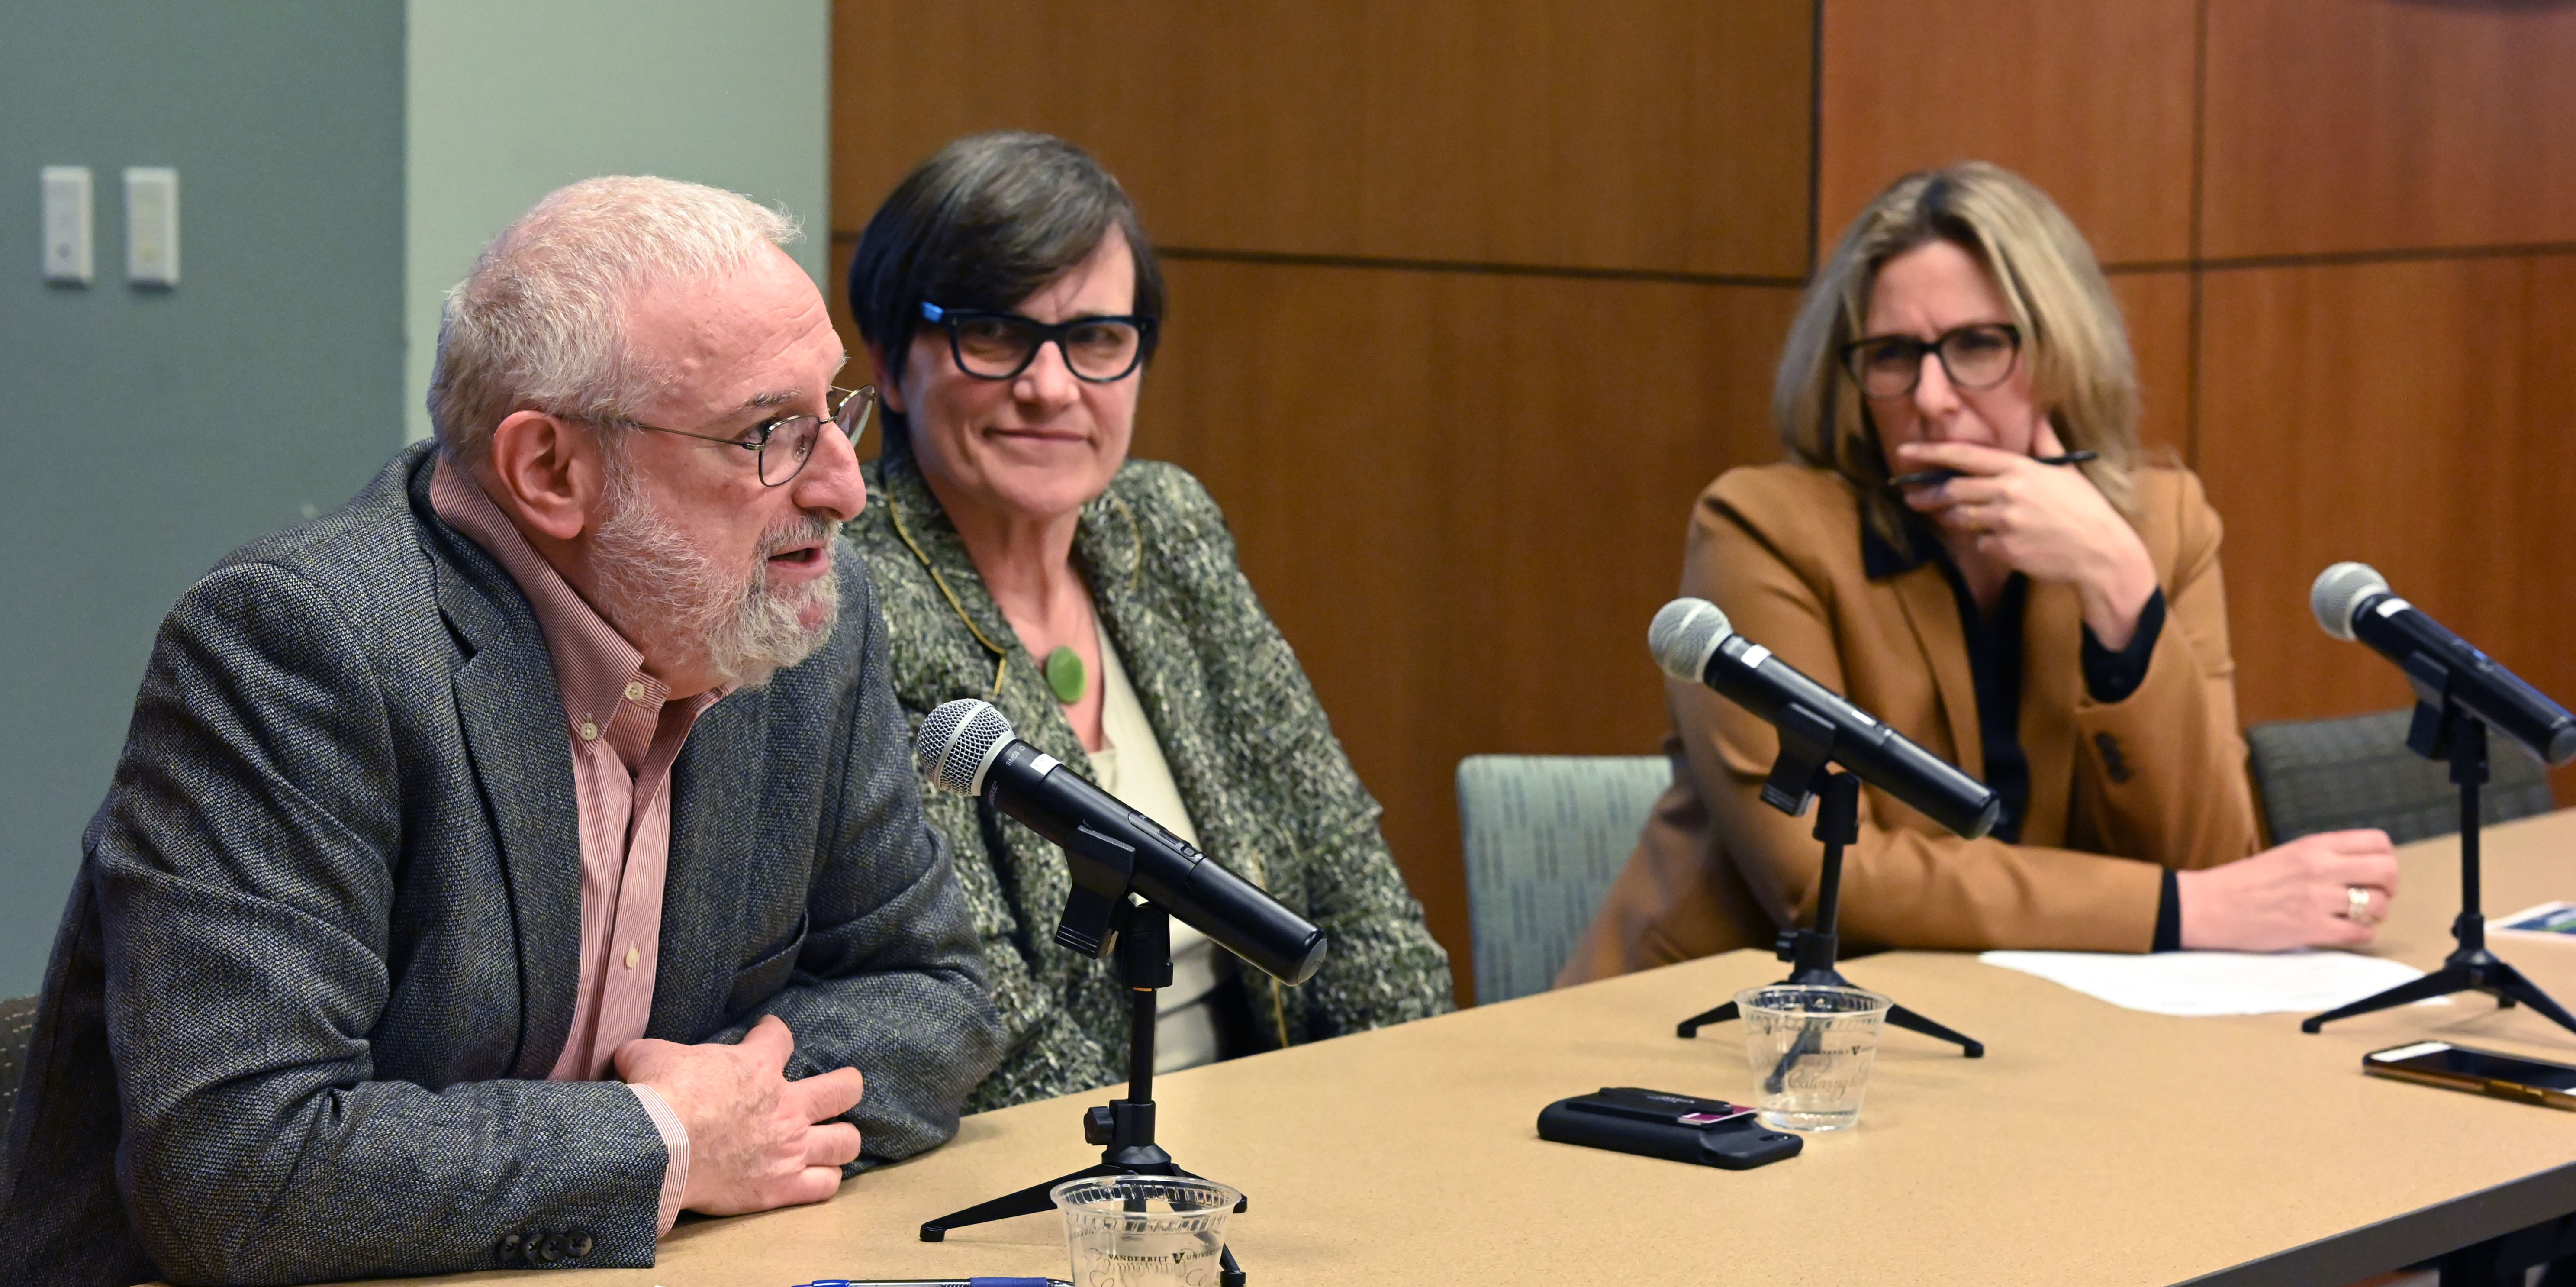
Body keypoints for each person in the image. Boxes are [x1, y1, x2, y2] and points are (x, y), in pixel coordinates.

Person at [0, 179, 999, 1287]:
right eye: (770, 434)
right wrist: (663, 1141)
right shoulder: (299, 649)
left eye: (835, 414)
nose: (845, 490)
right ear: (550, 470)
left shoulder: (791, 619)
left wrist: (734, 1113)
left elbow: (936, 994)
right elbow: (240, 1169)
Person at [1564, 162, 2399, 981]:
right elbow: (1825, 878)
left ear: (2061, 352)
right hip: (1726, 1030)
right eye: (1893, 355)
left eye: (1975, 346)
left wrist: (2118, 585)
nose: (1930, 396)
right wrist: (2178, 910)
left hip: (2025, 1029)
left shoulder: (2160, 528)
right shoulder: (1761, 530)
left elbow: (2213, 857)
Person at [843, 132, 1452, 1110]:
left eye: (1095, 340)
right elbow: (993, 1031)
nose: (1050, 388)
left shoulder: (1162, 527)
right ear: (888, 354)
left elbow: (1352, 887)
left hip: (1290, 1128)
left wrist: (1403, 1117)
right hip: (1065, 1176)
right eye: (992, 333)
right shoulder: (853, 596)